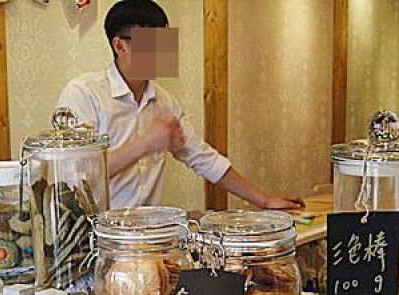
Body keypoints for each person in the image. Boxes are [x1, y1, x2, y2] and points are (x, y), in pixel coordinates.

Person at [57, 0, 304, 211]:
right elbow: (76, 177)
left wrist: (264, 200)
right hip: (94, 238)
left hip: (150, 235)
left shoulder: (165, 102)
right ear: (120, 45)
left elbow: (203, 158)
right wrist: (144, 144)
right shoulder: (84, 93)